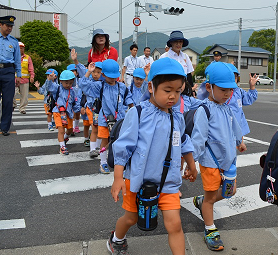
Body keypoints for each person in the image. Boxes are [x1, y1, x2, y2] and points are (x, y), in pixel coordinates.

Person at [108, 57, 198, 255]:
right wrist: (117, 178)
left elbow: (183, 141)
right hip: (137, 182)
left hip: (168, 183)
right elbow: (123, 147)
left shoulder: (176, 116)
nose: (173, 96)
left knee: (175, 225)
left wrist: (192, 165)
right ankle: (117, 239)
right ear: (151, 87)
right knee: (131, 218)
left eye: (178, 91)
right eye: (167, 90)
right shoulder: (138, 113)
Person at [190, 62, 246, 252]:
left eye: (230, 90)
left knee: (230, 192)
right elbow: (198, 138)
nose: (227, 94)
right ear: (209, 87)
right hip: (211, 162)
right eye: (223, 90)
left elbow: (234, 128)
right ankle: (210, 229)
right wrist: (191, 163)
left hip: (228, 161)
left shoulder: (227, 108)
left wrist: (240, 141)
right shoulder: (203, 110)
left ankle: (202, 201)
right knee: (211, 196)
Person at [79, 59, 132, 174]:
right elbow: (83, 85)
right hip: (105, 119)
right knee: (104, 141)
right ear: (103, 75)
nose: (113, 79)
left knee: (120, 142)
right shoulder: (99, 86)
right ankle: (103, 163)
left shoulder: (121, 87)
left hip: (120, 120)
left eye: (115, 76)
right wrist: (88, 72)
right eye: (110, 76)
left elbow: (128, 98)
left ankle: (120, 164)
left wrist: (133, 109)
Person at [45, 70, 81, 155]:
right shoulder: (57, 88)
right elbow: (48, 87)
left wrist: (78, 110)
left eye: (70, 83)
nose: (68, 85)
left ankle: (65, 138)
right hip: (58, 112)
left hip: (68, 113)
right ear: (61, 81)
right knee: (61, 130)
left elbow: (75, 102)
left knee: (69, 130)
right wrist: (49, 80)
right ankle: (62, 147)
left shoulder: (73, 91)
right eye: (66, 83)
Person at [226, 64, 258, 138]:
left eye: (235, 77)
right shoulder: (220, 92)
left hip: (237, 128)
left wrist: (252, 86)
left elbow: (249, 99)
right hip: (224, 128)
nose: (233, 79)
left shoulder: (239, 91)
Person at [13, 42, 34, 114]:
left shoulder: (27, 58)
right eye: (19, 48)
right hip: (14, 79)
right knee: (11, 93)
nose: (20, 50)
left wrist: (32, 76)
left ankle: (22, 108)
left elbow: (31, 68)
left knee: (24, 96)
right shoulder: (12, 57)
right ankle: (13, 105)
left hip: (24, 80)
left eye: (22, 48)